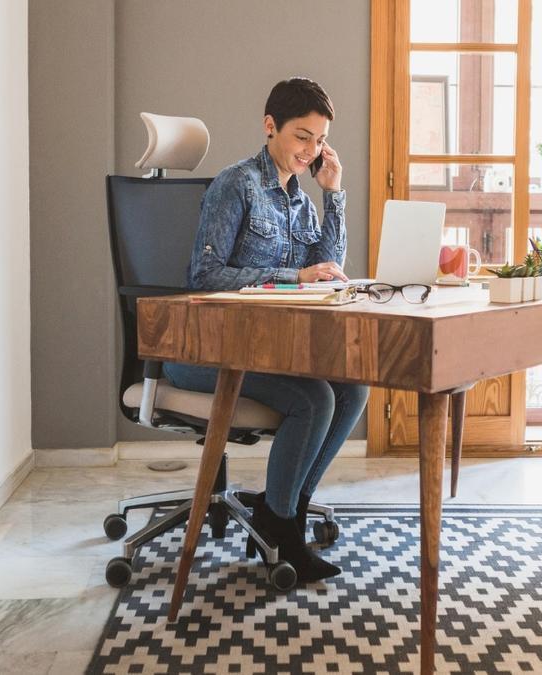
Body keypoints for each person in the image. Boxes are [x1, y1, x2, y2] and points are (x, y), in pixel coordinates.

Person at [164, 77, 368, 584]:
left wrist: (334, 195)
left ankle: (286, 508)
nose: (310, 150)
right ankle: (282, 528)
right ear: (270, 126)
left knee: (352, 387)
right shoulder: (237, 185)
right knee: (315, 399)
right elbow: (205, 277)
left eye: (320, 141)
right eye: (302, 136)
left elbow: (328, 268)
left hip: (261, 350)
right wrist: (291, 276)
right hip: (206, 350)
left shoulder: (299, 199)